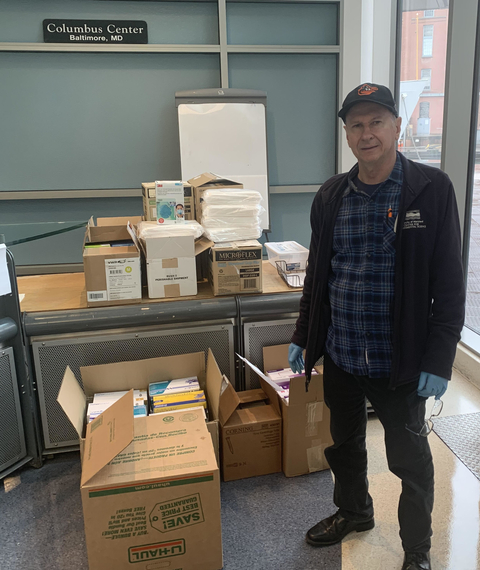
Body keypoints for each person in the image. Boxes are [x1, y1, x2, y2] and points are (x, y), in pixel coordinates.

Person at [288, 83, 465, 570]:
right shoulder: (330, 196)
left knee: (409, 463)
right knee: (343, 445)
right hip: (343, 352)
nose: (367, 133)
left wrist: (439, 357)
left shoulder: (430, 190)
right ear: (347, 134)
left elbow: (450, 284)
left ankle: (417, 551)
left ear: (397, 127)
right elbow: (318, 275)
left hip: (400, 361)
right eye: (356, 125)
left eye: (376, 122)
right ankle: (354, 512)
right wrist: (306, 334)